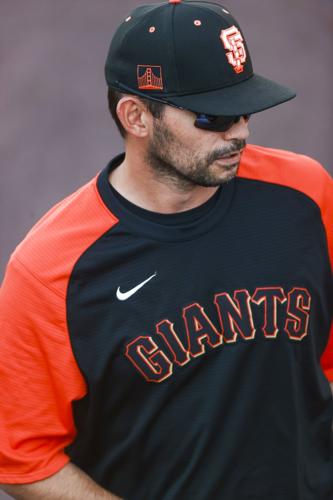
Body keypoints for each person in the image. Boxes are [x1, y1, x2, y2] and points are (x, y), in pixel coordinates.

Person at [0, 0, 332, 498]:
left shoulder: (306, 193)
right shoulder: (52, 270)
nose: (239, 131)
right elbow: (22, 457)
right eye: (211, 116)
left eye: (244, 108)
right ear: (136, 116)